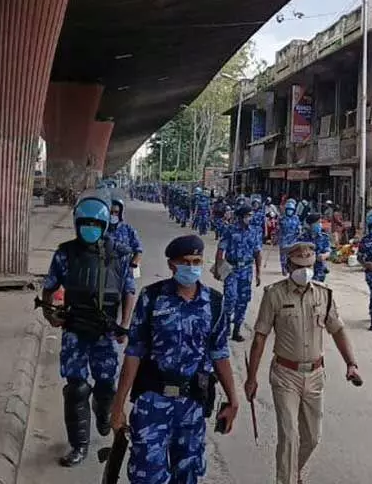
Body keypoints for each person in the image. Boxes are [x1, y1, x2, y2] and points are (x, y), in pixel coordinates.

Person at [110, 234, 239, 484]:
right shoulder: (151, 298)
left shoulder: (213, 303)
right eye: (186, 261)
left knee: (187, 476)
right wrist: (118, 406)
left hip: (192, 406)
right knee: (146, 475)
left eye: (197, 261)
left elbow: (219, 353)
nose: (192, 267)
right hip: (152, 403)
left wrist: (233, 400)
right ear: (172, 264)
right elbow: (134, 353)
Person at [246, 242, 362, 484]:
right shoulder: (274, 294)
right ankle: (286, 479)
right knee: (289, 436)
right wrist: (251, 378)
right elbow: (260, 338)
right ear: (289, 266)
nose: (305, 271)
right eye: (299, 266)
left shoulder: (324, 294)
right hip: (285, 374)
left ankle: (292, 470)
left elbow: (337, 330)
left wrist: (351, 363)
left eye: (309, 265)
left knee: (312, 437)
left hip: (315, 374)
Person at [42, 191, 136, 466]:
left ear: (105, 226)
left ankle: (103, 410)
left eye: (96, 225)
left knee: (106, 385)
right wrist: (50, 315)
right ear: (76, 223)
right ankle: (78, 445)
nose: (90, 229)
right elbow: (48, 289)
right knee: (76, 388)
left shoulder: (119, 255)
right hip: (74, 330)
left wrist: (125, 324)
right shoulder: (65, 254)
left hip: (105, 332)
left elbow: (129, 291)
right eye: (85, 223)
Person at [214, 205, 263, 341]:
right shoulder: (230, 230)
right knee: (230, 298)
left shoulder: (254, 232)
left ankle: (237, 329)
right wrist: (218, 268)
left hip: (246, 270)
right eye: (248, 215)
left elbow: (258, 253)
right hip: (231, 269)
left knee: (243, 301)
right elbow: (220, 250)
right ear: (241, 217)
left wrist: (259, 273)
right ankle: (225, 326)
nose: (250, 218)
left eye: (251, 215)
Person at [108, 197, 143, 278]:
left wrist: (133, 263)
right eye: (111, 212)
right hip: (105, 268)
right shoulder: (102, 229)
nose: (113, 215)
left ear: (120, 213)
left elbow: (138, 249)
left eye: (116, 212)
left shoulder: (128, 229)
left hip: (124, 269)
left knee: (129, 290)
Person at [299, 212, 332, 282]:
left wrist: (324, 256)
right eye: (317, 223)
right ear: (310, 225)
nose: (319, 225)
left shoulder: (324, 237)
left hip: (320, 270)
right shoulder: (302, 238)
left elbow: (328, 251)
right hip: (305, 270)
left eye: (320, 222)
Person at [277, 200, 301, 277]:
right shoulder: (282, 218)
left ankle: (290, 267)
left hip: (293, 239)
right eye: (288, 210)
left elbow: (299, 227)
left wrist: (299, 230)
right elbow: (278, 228)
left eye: (291, 210)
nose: (289, 211)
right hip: (284, 239)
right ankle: (283, 267)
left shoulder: (296, 218)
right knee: (283, 255)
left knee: (292, 254)